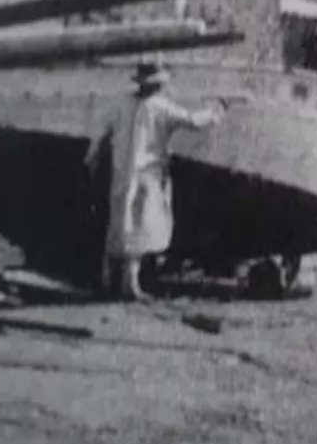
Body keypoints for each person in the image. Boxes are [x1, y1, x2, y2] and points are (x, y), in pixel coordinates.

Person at [87, 63, 221, 301]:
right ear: (159, 84)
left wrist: (93, 155)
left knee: (118, 223)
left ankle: (107, 279)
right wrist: (217, 110)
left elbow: (102, 132)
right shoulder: (160, 107)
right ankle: (130, 283)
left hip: (122, 171)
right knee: (140, 226)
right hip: (147, 174)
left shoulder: (121, 103)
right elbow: (193, 121)